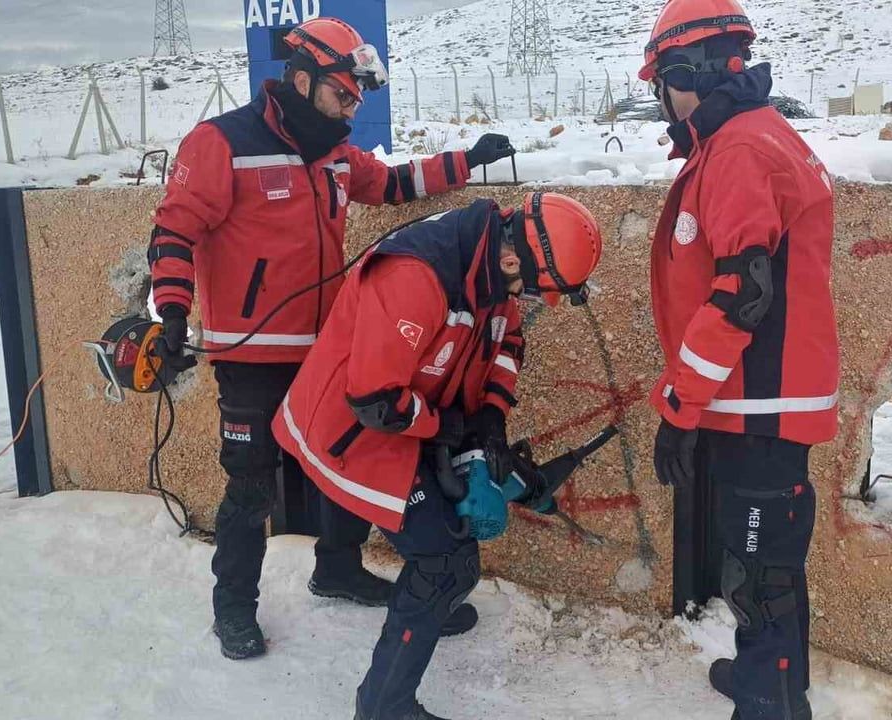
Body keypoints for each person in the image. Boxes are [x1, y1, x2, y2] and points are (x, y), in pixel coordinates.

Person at [146, 16, 516, 660]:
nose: (351, 107)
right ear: (301, 77)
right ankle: (234, 607)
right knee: (251, 486)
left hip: (329, 348)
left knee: (353, 455)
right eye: (343, 94)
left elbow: (396, 184)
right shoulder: (219, 142)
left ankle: (337, 568)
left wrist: (467, 160)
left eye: (356, 98)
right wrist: (172, 310)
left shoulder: (337, 156)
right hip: (251, 353)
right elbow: (175, 229)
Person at [272, 192, 603, 720]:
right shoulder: (417, 278)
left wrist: (490, 416)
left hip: (410, 423)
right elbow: (376, 400)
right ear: (515, 259)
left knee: (459, 535)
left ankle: (419, 614)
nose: (532, 299)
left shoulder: (490, 266)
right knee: (444, 558)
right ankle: (384, 707)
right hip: (349, 432)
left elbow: (509, 341)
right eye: (535, 289)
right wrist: (449, 428)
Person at [639, 1, 840, 718]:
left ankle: (768, 702)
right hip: (759, 399)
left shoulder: (740, 150)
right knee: (771, 566)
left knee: (759, 576)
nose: (661, 100)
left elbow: (739, 296)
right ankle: (780, 685)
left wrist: (678, 407)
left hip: (758, 400)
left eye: (660, 82)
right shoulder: (748, 137)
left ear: (682, 73)